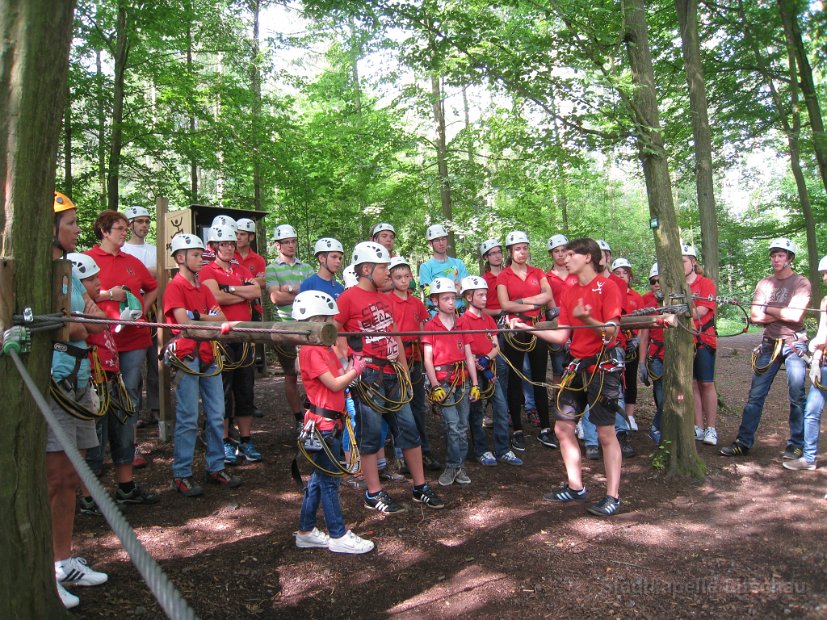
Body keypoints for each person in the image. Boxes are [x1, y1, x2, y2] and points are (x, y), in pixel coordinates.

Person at [517, 237, 625, 517]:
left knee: (605, 433)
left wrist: (588, 320)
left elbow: (611, 333)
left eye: (570, 254)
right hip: (576, 365)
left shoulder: (608, 286)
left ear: (588, 257)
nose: (564, 258)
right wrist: (526, 328)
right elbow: (561, 334)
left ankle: (613, 496)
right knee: (563, 428)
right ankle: (576, 486)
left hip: (602, 367)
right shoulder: (569, 290)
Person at [334, 241, 445, 513]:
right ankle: (374, 493)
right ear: (367, 269)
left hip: (394, 373)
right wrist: (348, 365)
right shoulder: (347, 299)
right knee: (371, 434)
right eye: (384, 267)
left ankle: (419, 486)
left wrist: (405, 371)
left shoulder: (384, 299)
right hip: (369, 376)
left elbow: (394, 335)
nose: (387, 272)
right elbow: (334, 333)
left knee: (409, 428)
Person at [49, 193, 110, 609]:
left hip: (79, 377)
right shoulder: (43, 273)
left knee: (71, 475)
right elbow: (63, 328)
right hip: (53, 381)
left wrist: (78, 323)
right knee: (52, 477)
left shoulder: (69, 273)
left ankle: (63, 558)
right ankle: (45, 569)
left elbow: (94, 316)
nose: (76, 229)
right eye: (70, 223)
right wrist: (78, 324)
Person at [84, 210, 160, 505]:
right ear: (103, 231)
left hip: (133, 341)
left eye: (126, 228)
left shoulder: (133, 262)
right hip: (99, 345)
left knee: (127, 404)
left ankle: (126, 485)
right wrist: (107, 295)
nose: (124, 232)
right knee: (98, 408)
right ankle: (92, 490)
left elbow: (152, 288)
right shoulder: (87, 260)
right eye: (119, 228)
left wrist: (141, 310)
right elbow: (78, 296)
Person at [292, 291, 375, 554]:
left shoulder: (325, 349)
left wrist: (351, 362)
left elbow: (340, 375)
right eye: (327, 319)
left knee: (319, 478)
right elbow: (335, 383)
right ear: (314, 321)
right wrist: (357, 369)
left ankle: (305, 530)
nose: (331, 324)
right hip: (323, 425)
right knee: (329, 481)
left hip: (332, 422)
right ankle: (338, 534)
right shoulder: (310, 351)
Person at [164, 233, 242, 496]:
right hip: (187, 356)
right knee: (187, 416)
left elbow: (219, 316)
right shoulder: (175, 287)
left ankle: (215, 466)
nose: (200, 259)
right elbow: (182, 320)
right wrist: (201, 316)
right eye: (195, 255)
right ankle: (182, 473)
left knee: (217, 412)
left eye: (200, 254)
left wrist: (198, 316)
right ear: (180, 258)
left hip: (208, 354)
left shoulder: (203, 289)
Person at [721, 238, 811, 457]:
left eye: (781, 255)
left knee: (796, 395)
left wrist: (768, 309)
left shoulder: (801, 283)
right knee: (755, 396)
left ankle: (797, 444)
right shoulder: (764, 283)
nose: (776, 259)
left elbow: (795, 315)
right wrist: (781, 311)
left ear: (790, 258)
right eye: (773, 255)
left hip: (793, 344)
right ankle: (743, 442)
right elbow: (754, 316)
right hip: (769, 345)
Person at [200, 224, 263, 465]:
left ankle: (246, 440)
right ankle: (225, 440)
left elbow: (256, 290)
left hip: (244, 335)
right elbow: (215, 297)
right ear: (215, 246)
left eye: (230, 244)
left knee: (245, 388)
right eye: (223, 244)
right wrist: (240, 292)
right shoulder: (208, 270)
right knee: (224, 389)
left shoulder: (239, 269)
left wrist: (231, 288)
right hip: (222, 337)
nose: (227, 248)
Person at [496, 230, 555, 451]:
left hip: (536, 327)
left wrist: (520, 301)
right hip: (515, 328)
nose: (522, 252)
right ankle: (518, 430)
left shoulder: (537, 272)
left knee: (539, 378)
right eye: (517, 249)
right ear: (510, 252)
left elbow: (547, 296)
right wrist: (532, 304)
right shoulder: (504, 276)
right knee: (515, 378)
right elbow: (505, 305)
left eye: (525, 248)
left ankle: (545, 428)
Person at [457, 275, 523, 466]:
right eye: (481, 295)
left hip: (489, 368)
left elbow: (496, 345)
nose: (485, 298)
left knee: (501, 408)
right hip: (473, 371)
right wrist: (477, 362)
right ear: (469, 297)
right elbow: (463, 347)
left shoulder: (488, 320)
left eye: (486, 294)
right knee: (476, 412)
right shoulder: (463, 322)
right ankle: (481, 450)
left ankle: (503, 449)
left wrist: (487, 358)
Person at [422, 278, 481, 486]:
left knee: (462, 425)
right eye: (445, 299)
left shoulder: (462, 324)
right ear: (435, 301)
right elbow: (427, 359)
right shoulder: (430, 326)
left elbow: (468, 355)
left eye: (453, 299)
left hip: (462, 380)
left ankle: (459, 466)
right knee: (453, 425)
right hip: (444, 382)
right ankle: (452, 465)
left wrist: (475, 383)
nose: (450, 303)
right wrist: (434, 385)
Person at [385, 256, 441, 473]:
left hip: (415, 357)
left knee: (418, 406)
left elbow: (421, 326)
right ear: (390, 278)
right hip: (395, 363)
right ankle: (401, 455)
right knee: (399, 407)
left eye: (406, 276)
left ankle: (424, 451)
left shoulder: (416, 302)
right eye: (398, 277)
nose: (403, 281)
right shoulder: (387, 301)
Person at [265, 223, 314, 429]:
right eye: (286, 242)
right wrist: (298, 293)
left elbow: (313, 294)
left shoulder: (307, 267)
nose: (291, 245)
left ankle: (315, 412)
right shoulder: (272, 268)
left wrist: (292, 288)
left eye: (293, 241)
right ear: (278, 245)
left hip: (309, 327)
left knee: (313, 370)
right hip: (285, 327)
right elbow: (275, 297)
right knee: (291, 374)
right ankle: (298, 418)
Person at [783, 255, 827, 472]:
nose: (825, 278)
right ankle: (809, 458)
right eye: (823, 274)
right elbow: (822, 332)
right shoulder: (825, 301)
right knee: (811, 411)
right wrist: (817, 360)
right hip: (825, 365)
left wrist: (818, 343)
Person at [120, 205, 160, 438]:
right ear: (130, 223)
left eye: (147, 221)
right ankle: (131, 413)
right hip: (126, 317)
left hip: (151, 313)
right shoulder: (123, 249)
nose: (144, 225)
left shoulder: (154, 250)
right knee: (132, 368)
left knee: (155, 363)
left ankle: (155, 408)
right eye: (140, 221)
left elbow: (158, 277)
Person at [681, 244, 719, 445]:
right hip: (685, 339)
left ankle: (711, 428)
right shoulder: (677, 286)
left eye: (684, 261)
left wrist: (680, 314)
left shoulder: (705, 283)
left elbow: (703, 310)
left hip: (704, 339)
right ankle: (698, 426)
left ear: (693, 262)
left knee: (706, 383)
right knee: (692, 384)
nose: (681, 265)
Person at [611, 258, 645, 433]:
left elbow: (642, 321)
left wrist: (637, 338)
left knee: (630, 378)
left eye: (625, 273)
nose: (622, 276)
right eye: (618, 273)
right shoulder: (610, 292)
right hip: (616, 341)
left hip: (632, 342)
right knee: (614, 378)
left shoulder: (636, 297)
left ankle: (630, 415)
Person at [638, 263, 665, 444]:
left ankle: (660, 426)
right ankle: (658, 427)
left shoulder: (676, 299)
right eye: (652, 282)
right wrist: (641, 363)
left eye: (659, 281)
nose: (656, 284)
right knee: (661, 393)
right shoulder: (647, 300)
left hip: (676, 355)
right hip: (656, 354)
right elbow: (644, 334)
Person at [546, 234, 578, 389]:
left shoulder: (577, 274)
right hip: (557, 324)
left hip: (578, 324)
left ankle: (576, 397)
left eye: (563, 250)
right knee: (558, 363)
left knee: (578, 362)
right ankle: (559, 397)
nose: (560, 254)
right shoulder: (547, 277)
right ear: (551, 254)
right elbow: (549, 302)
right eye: (556, 251)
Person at [418, 223, 469, 313]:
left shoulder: (459, 263)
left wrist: (442, 292)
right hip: (437, 316)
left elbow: (466, 291)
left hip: (460, 315)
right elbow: (430, 294)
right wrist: (455, 288)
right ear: (431, 243)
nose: (441, 243)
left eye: (443, 239)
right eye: (437, 240)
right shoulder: (425, 267)